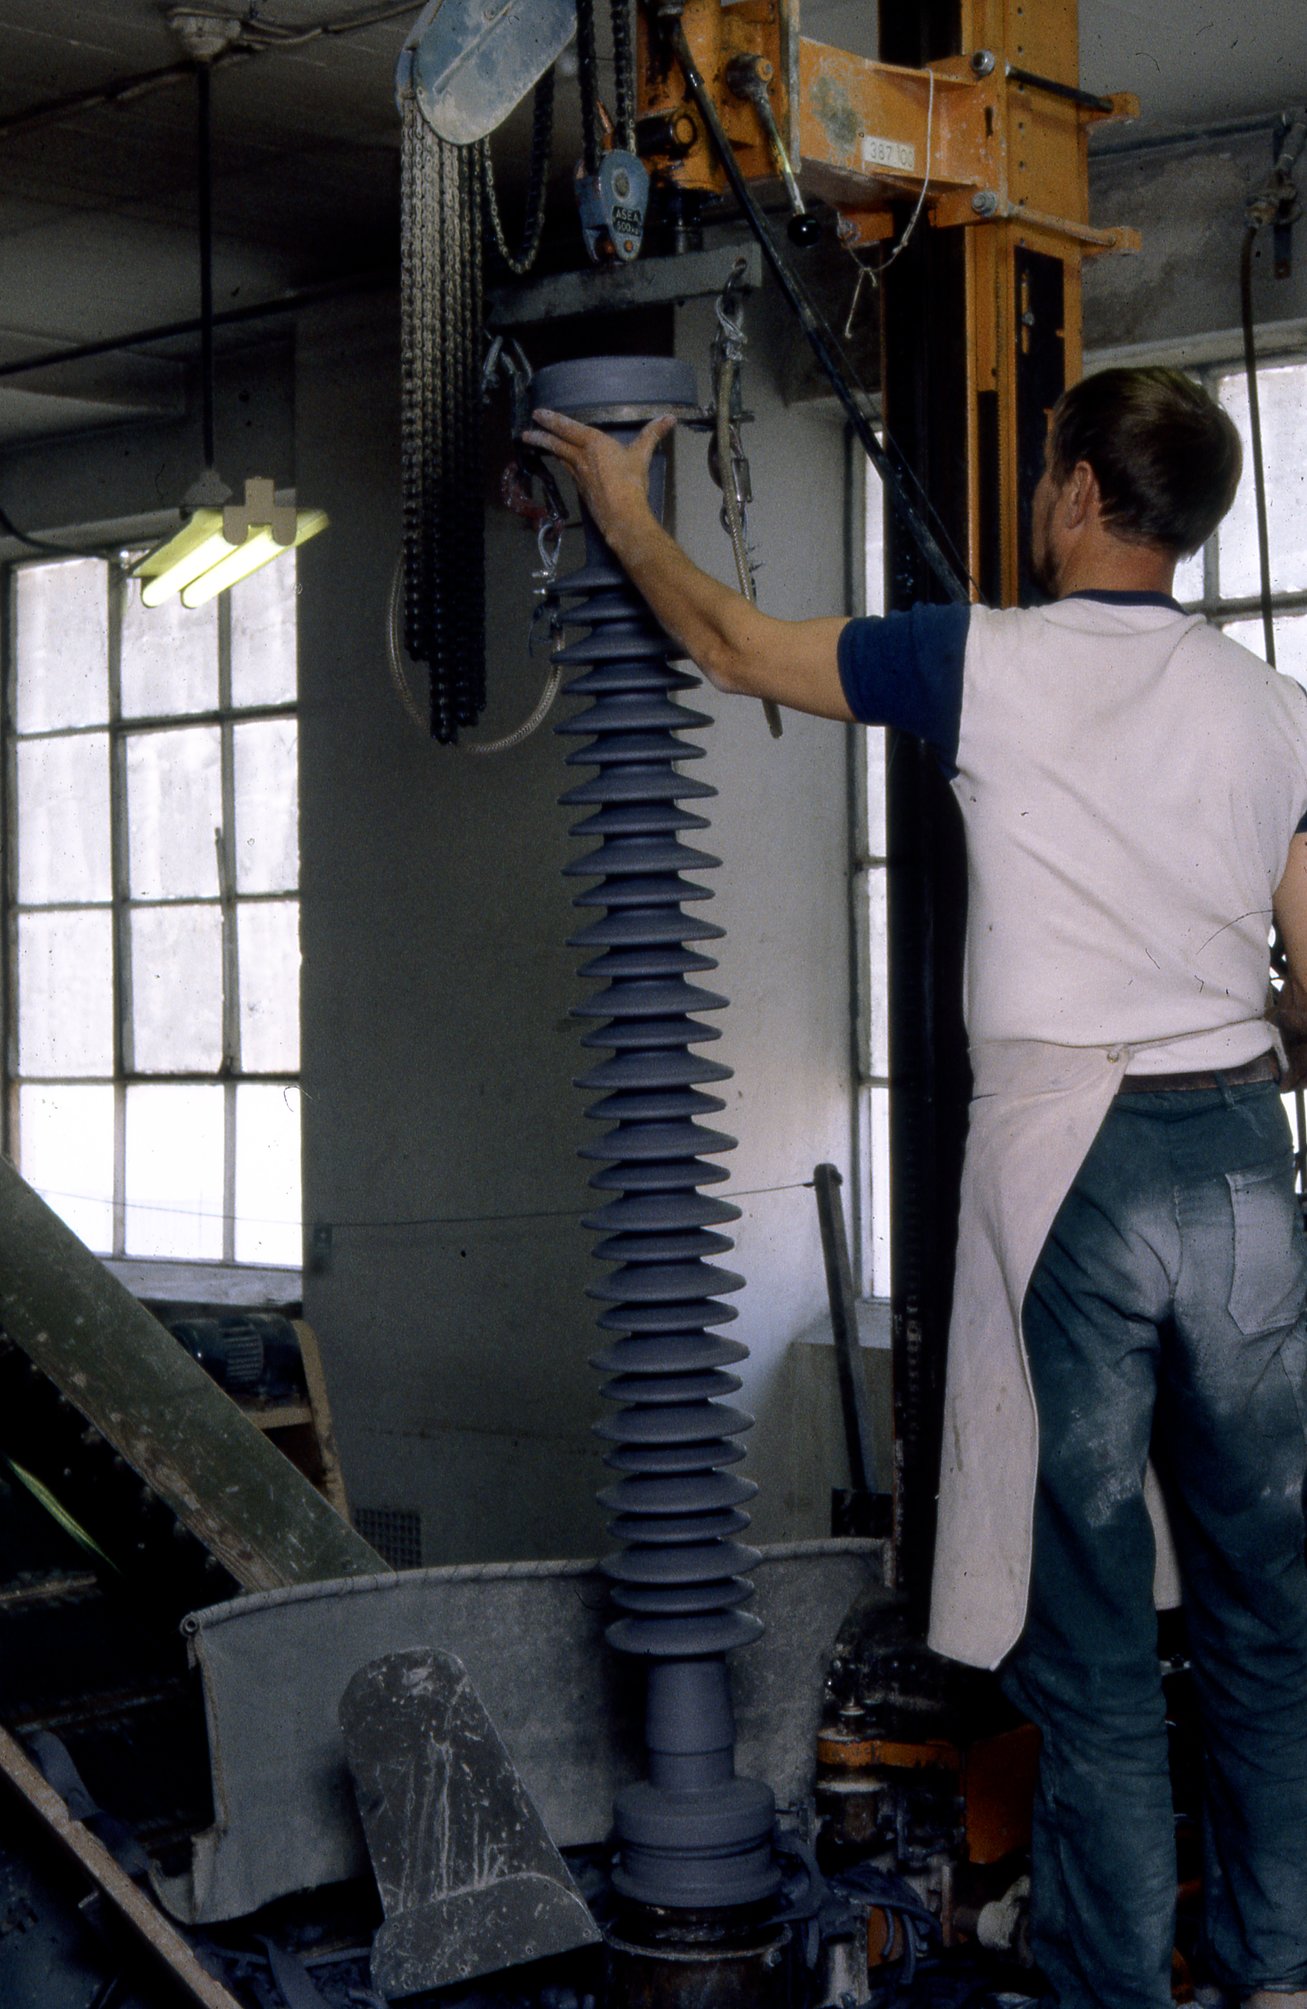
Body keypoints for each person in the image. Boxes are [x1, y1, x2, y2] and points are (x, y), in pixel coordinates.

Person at [525, 367, 1307, 2009]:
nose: (1037, 493)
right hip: (1242, 1167)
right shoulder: (1271, 704)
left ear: (1084, 494)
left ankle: (1111, 1988)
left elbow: (732, 646)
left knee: (1092, 1636)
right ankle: (1280, 1969)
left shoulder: (984, 659)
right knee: (1264, 1609)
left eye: (1045, 471)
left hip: (1074, 1174)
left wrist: (622, 514)